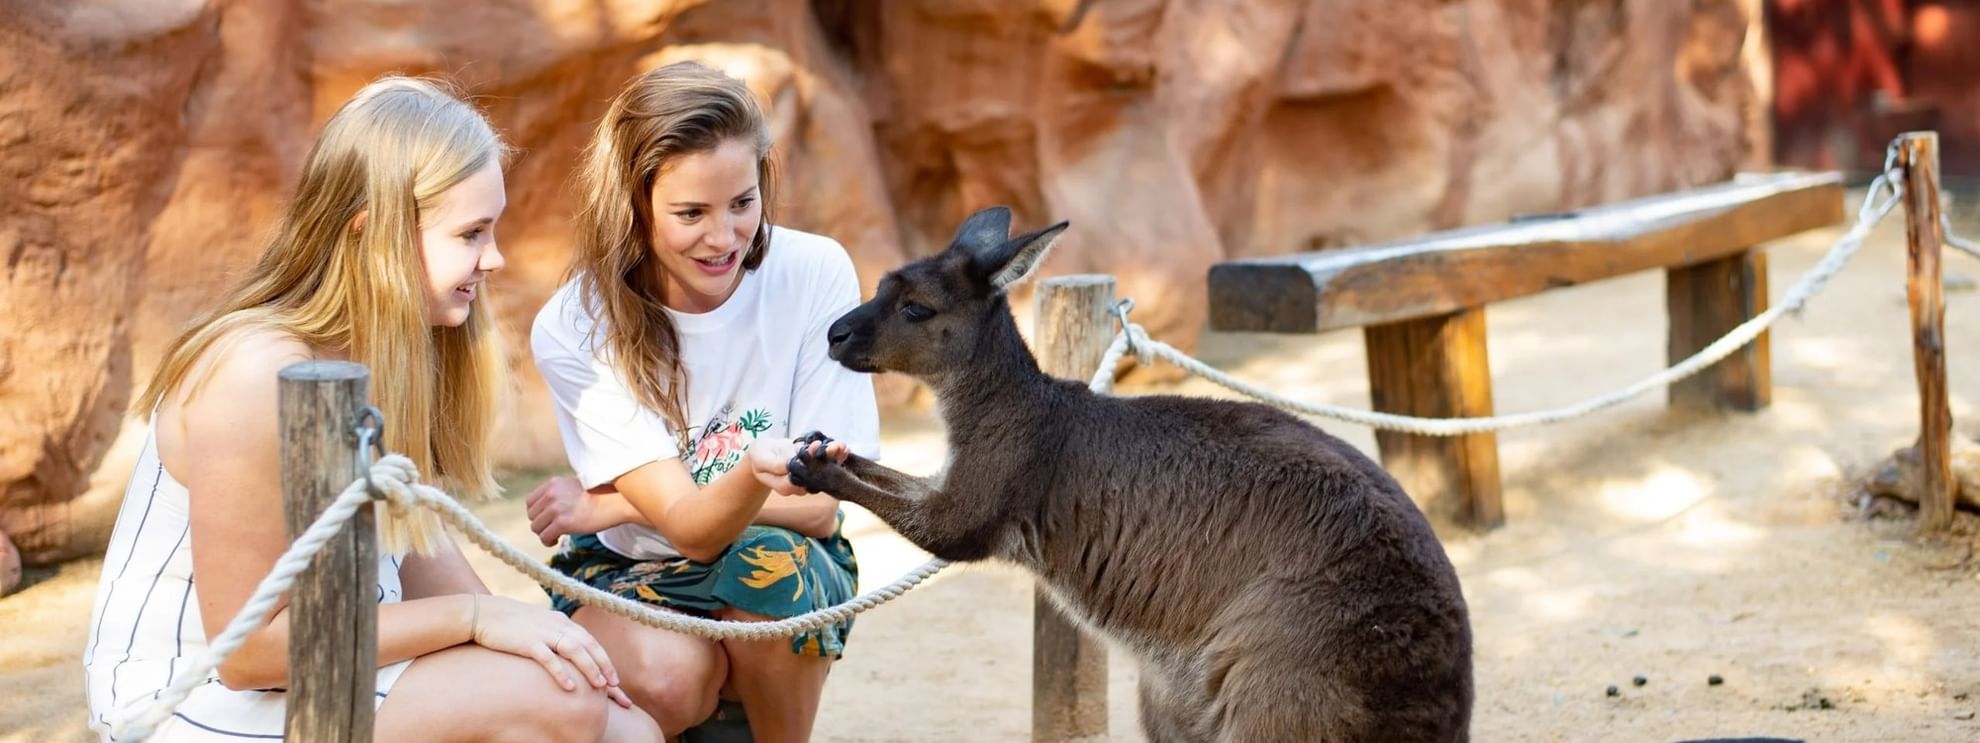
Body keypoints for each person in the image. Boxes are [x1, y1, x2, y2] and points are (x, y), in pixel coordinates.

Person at [81, 76, 662, 743]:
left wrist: (526, 635)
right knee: (553, 705)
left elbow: (430, 568)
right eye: (471, 233)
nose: (494, 257)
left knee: (620, 720)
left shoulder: (386, 356)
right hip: (192, 700)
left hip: (337, 665)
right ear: (372, 234)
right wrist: (474, 618)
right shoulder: (253, 370)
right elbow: (249, 654)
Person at [525, 60, 879, 743]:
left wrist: (614, 501)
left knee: (771, 563)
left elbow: (819, 503)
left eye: (742, 203)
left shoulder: (815, 273)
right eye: (691, 213)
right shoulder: (576, 323)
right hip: (632, 567)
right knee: (671, 676)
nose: (723, 239)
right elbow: (689, 528)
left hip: (779, 566)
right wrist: (743, 473)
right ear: (634, 204)